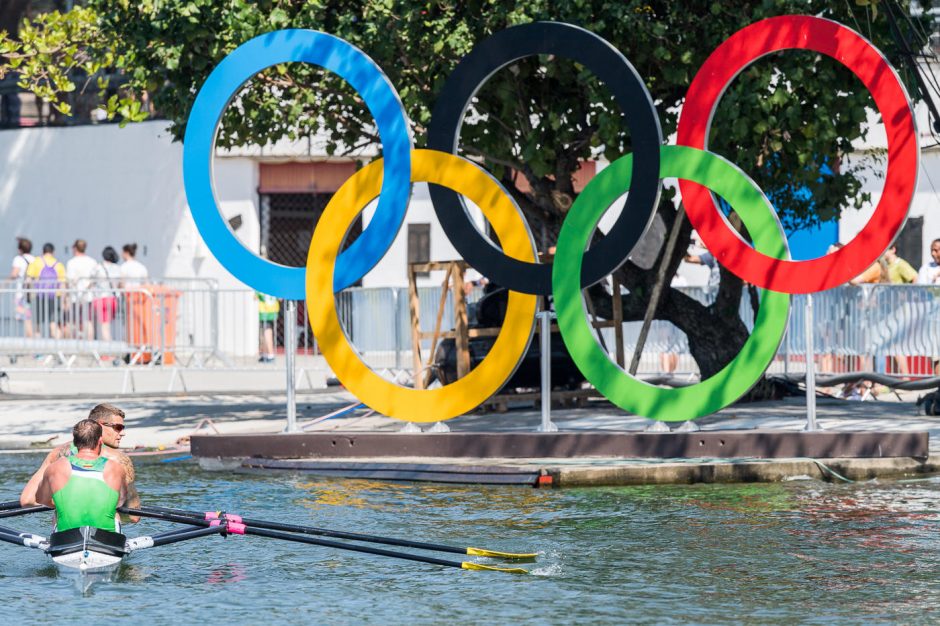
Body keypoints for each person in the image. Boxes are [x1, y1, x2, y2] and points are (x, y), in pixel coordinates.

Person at [20, 403, 140, 522]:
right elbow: (133, 517)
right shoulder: (120, 459)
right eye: (118, 427)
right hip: (104, 534)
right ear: (99, 426)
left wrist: (64, 504)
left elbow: (27, 500)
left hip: (66, 533)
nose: (122, 433)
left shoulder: (57, 454)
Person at [24, 419, 127, 533]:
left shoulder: (55, 468)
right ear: (100, 441)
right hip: (106, 540)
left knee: (57, 513)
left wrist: (65, 503)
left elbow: (41, 499)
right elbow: (120, 501)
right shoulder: (116, 468)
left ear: (75, 442)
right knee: (115, 513)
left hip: (66, 539)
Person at [25, 242, 65, 339]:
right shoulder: (59, 265)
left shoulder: (35, 262)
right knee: (53, 323)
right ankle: (57, 349)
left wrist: (28, 296)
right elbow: (63, 284)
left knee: (37, 325)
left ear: (42, 251)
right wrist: (64, 300)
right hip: (55, 297)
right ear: (53, 252)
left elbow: (28, 280)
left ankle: (38, 352)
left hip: (39, 296)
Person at [65, 239, 101, 339]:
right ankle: (90, 345)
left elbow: (70, 280)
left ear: (75, 248)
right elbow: (95, 279)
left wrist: (66, 297)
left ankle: (72, 344)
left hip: (75, 295)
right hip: (88, 295)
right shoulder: (92, 261)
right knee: (88, 321)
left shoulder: (71, 262)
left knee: (72, 321)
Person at [93, 246, 121, 342]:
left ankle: (108, 351)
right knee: (108, 325)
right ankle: (108, 349)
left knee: (104, 326)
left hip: (101, 298)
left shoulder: (99, 267)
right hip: (112, 299)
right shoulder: (117, 268)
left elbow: (90, 281)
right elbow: (121, 284)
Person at [9, 237, 34, 339]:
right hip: (31, 293)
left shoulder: (18, 259)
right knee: (29, 319)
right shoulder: (34, 259)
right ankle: (31, 343)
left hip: (21, 293)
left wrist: (3, 285)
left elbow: (14, 274)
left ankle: (29, 344)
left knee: (25, 319)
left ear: (20, 249)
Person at [257, 291, 279, 363]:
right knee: (264, 332)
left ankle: (270, 354)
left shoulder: (261, 285)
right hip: (271, 310)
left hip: (265, 311)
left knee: (267, 332)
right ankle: (265, 353)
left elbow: (256, 296)